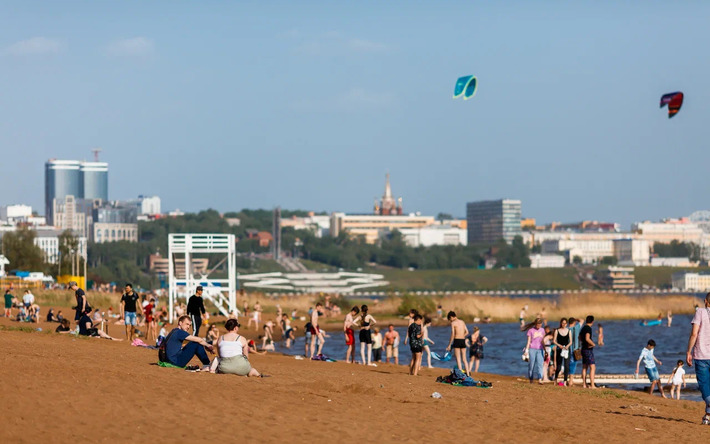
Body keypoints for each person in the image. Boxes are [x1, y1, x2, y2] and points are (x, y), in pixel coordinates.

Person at [686, 292, 710, 424]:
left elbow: (694, 334)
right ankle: (707, 417)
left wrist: (688, 352)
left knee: (704, 386)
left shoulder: (700, 312)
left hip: (701, 355)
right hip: (702, 355)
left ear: (706, 301)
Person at [523, 318, 546, 384]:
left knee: (540, 364)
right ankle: (531, 379)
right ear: (535, 324)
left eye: (540, 324)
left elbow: (542, 341)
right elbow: (528, 341)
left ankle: (540, 379)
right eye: (538, 324)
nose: (539, 325)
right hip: (532, 349)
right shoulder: (531, 330)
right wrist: (526, 351)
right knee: (531, 365)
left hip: (540, 349)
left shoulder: (542, 330)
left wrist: (545, 350)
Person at [553, 318, 572, 387]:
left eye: (565, 323)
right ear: (561, 323)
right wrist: (559, 345)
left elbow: (571, 341)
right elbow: (554, 341)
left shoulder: (569, 330)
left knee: (567, 366)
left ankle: (565, 381)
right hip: (559, 349)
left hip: (566, 350)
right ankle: (555, 379)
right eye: (562, 323)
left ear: (567, 324)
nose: (564, 324)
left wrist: (567, 346)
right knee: (559, 367)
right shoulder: (557, 331)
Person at [580, 315, 597, 389]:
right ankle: (592, 385)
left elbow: (579, 337)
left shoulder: (583, 328)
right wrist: (593, 344)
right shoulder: (588, 328)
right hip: (588, 349)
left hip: (583, 348)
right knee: (592, 367)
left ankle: (584, 384)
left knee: (584, 367)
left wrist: (583, 342)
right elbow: (587, 338)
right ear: (592, 322)